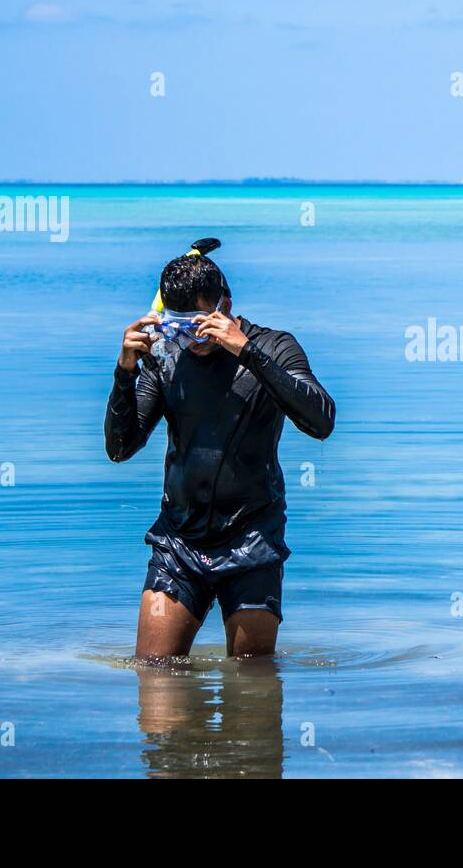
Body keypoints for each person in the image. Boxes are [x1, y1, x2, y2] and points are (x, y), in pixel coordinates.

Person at [105, 249, 334, 658]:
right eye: (175, 327)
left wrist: (246, 351)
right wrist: (125, 373)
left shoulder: (273, 346)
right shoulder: (164, 356)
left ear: (224, 307)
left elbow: (321, 421)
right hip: (178, 541)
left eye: (196, 325)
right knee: (154, 676)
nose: (188, 340)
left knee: (252, 692)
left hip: (253, 541)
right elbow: (120, 449)